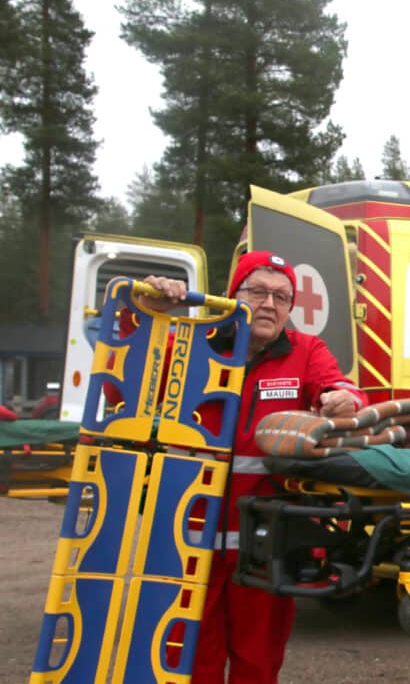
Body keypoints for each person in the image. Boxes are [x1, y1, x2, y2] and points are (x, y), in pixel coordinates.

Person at [138, 250, 367, 683]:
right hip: (189, 537)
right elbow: (134, 362)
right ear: (233, 294)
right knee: (190, 658)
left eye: (282, 297)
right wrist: (150, 312)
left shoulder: (305, 351)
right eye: (258, 291)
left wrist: (343, 400)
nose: (269, 304)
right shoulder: (191, 341)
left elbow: (343, 390)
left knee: (258, 661)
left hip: (263, 543)